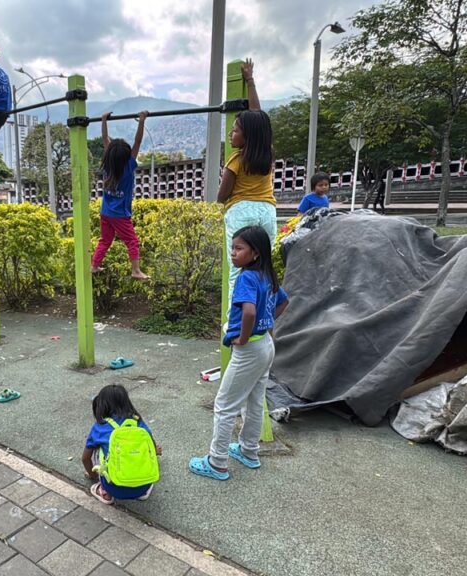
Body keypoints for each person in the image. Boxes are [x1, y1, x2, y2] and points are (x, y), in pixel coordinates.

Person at [190, 226, 289, 481]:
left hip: (250, 349)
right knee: (255, 402)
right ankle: (249, 451)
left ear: (255, 253)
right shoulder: (267, 274)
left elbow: (248, 312)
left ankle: (217, 462)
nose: (232, 253)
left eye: (238, 248)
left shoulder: (247, 277)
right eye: (232, 247)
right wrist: (266, 326)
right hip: (266, 345)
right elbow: (284, 301)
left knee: (224, 406)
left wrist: (243, 337)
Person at [216, 58, 276, 296]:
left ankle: (237, 324)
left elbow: (222, 196)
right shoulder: (266, 153)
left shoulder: (236, 161)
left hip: (241, 212)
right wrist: (250, 80)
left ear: (247, 135)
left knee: (237, 272)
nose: (231, 134)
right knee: (263, 268)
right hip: (267, 212)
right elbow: (258, 116)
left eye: (236, 130)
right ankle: (264, 315)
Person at [91, 110, 150, 280]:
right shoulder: (128, 166)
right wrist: (141, 120)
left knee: (105, 240)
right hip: (120, 215)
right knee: (132, 241)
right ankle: (135, 270)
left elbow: (105, 140)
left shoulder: (108, 165)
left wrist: (103, 120)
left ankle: (94, 266)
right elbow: (138, 141)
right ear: (126, 156)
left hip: (105, 213)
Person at [82, 384, 161, 504]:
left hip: (114, 488)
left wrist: (92, 474)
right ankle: (143, 492)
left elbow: (85, 458)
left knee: (99, 450)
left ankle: (106, 493)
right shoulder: (138, 422)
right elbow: (154, 449)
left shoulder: (100, 428)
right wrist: (156, 451)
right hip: (144, 485)